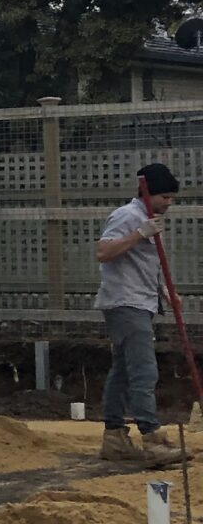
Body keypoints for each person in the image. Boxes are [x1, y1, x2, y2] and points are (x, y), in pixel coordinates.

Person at [94, 162, 181, 465]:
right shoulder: (128, 216)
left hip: (139, 301)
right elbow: (103, 252)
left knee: (122, 371)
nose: (169, 203)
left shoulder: (147, 219)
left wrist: (163, 291)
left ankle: (114, 438)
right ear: (149, 193)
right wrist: (139, 234)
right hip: (126, 303)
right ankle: (151, 437)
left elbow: (141, 263)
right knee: (144, 371)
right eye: (165, 197)